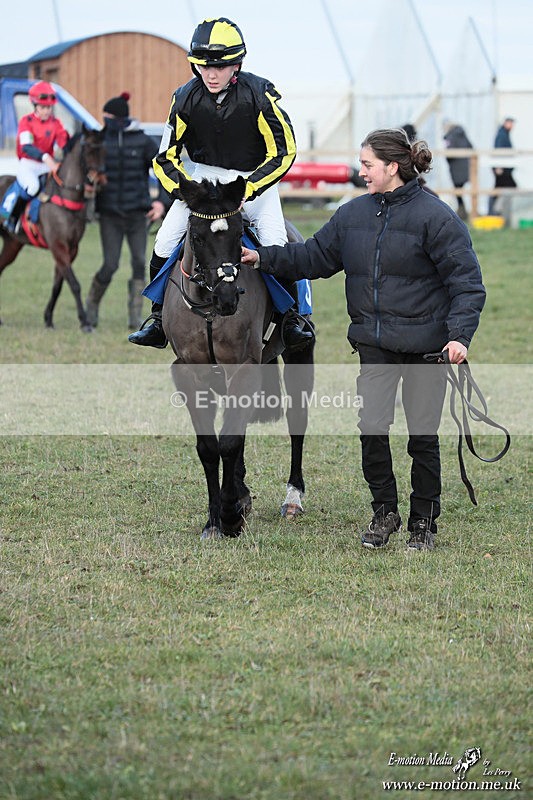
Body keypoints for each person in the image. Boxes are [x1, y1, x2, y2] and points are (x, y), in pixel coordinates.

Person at [242, 128, 486, 551]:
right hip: (374, 345)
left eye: (368, 164)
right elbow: (312, 257)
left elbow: (467, 283)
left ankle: (423, 522)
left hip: (428, 347)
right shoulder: (352, 215)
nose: (361, 171)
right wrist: (263, 257)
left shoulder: (436, 217)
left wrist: (460, 336)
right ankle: (384, 511)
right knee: (372, 429)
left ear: (392, 168)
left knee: (422, 437)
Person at [128, 16, 312, 350]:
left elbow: (284, 151)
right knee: (164, 242)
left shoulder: (260, 94)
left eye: (220, 67)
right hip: (202, 184)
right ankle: (158, 317)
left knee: (276, 246)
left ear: (237, 64)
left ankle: (290, 319)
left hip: (252, 184)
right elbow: (164, 157)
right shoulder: (184, 98)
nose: (211, 75)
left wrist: (251, 188)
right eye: (203, 67)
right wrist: (185, 192)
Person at [85, 92, 170, 329]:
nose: (105, 120)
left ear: (119, 117)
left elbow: (164, 172)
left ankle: (134, 320)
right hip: (110, 215)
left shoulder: (142, 141)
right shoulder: (99, 140)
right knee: (110, 265)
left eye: (108, 116)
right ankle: (90, 310)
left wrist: (161, 203)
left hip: (137, 215)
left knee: (138, 262)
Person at [0, 81, 69, 233]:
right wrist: (45, 157)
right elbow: (27, 147)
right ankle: (12, 217)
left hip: (47, 165)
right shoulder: (26, 121)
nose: (46, 111)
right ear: (35, 106)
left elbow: (63, 142)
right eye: (43, 107)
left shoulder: (56, 123)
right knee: (33, 187)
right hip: (29, 164)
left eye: (49, 108)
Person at [443, 120, 473, 221]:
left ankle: (462, 212)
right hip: (466, 167)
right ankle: (465, 212)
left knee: (457, 191)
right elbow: (471, 147)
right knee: (463, 191)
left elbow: (449, 153)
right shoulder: (463, 134)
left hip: (456, 168)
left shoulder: (450, 136)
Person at [488, 117, 517, 216]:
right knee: (508, 188)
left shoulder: (505, 134)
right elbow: (499, 150)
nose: (512, 126)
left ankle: (494, 212)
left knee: (500, 189)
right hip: (502, 168)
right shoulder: (502, 135)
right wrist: (498, 166)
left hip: (504, 167)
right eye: (510, 123)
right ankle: (494, 212)